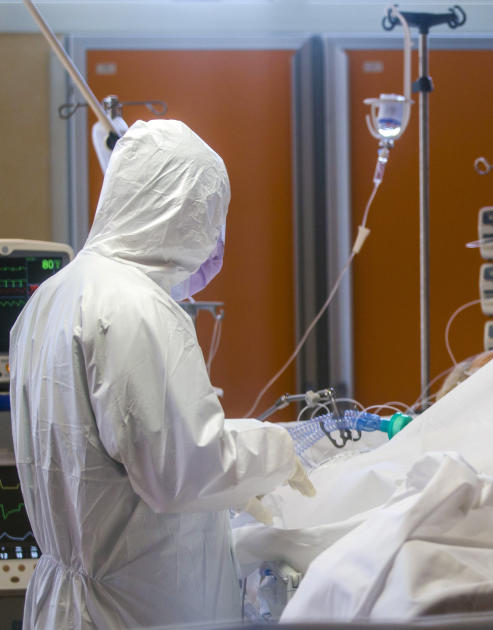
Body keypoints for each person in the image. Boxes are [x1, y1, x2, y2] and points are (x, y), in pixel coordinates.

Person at [8, 119, 315, 629]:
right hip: (137, 608)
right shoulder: (135, 307)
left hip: (74, 597)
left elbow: (121, 451)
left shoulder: (54, 298)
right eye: (211, 218)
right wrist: (279, 450)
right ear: (182, 209)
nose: (215, 242)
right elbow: (182, 471)